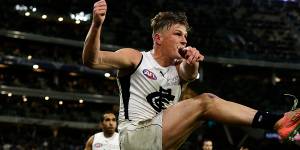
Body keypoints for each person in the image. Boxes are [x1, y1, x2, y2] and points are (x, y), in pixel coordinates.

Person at [82, 0, 300, 149]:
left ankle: (278, 122)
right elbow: (92, 60)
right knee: (206, 102)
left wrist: (192, 62)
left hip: (162, 139)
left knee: (205, 109)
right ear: (158, 38)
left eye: (185, 35)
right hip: (135, 136)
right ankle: (276, 121)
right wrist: (96, 25)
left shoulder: (179, 69)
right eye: (177, 34)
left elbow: (188, 72)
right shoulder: (136, 58)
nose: (184, 40)